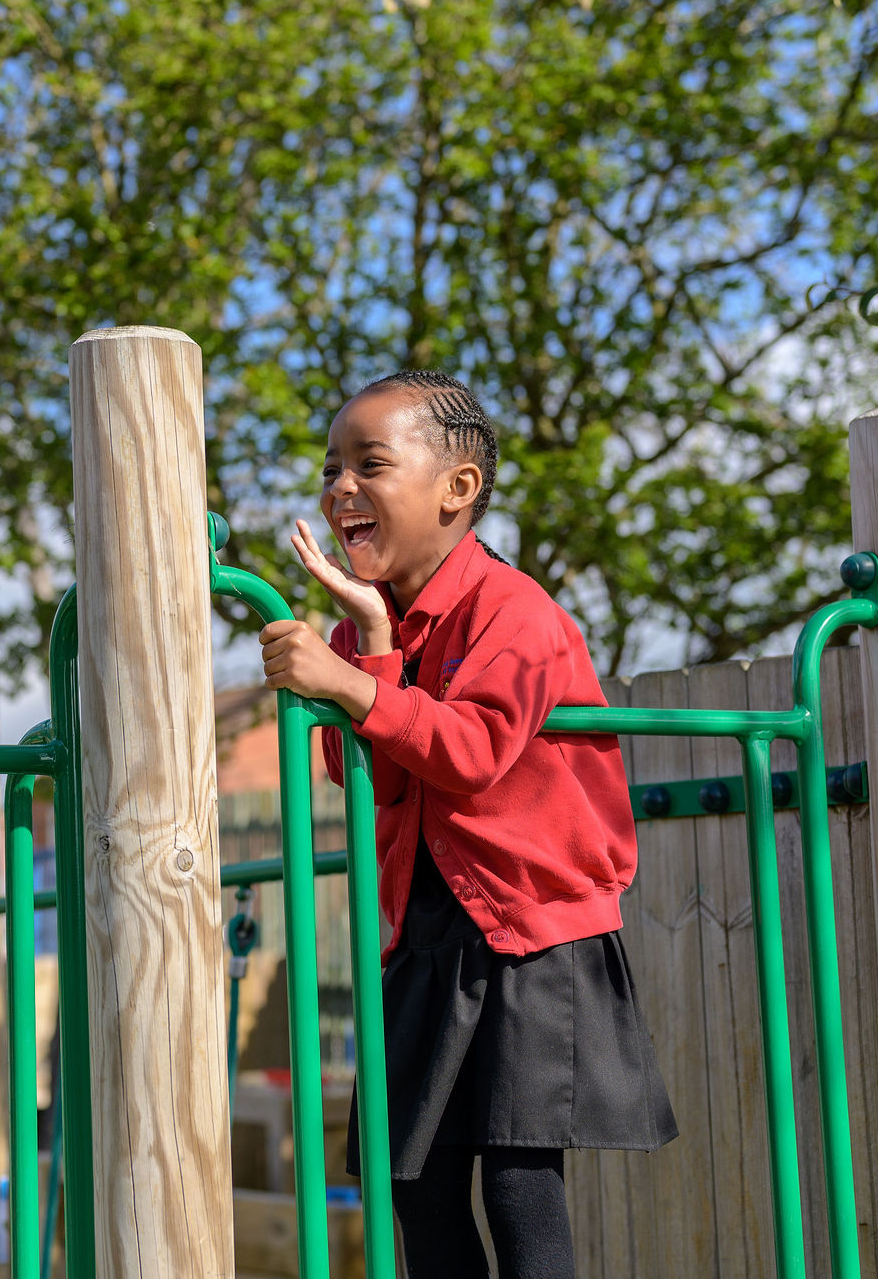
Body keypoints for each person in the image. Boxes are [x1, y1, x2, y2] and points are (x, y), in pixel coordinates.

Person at [258, 370, 675, 1279]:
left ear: (458, 489)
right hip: (427, 936)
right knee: (417, 1184)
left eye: (370, 464)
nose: (339, 490)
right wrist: (370, 644)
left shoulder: (514, 613)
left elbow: (477, 748)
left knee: (520, 1181)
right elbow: (353, 769)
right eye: (331, 469)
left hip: (526, 933)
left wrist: (356, 686)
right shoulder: (366, 627)